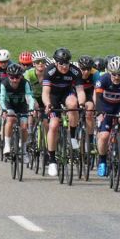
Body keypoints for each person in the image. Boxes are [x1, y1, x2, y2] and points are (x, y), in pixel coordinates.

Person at [42, 47, 86, 177]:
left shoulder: (75, 71)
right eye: (61, 63)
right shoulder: (49, 71)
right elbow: (45, 92)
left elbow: (80, 91)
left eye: (67, 63)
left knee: (73, 104)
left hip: (67, 93)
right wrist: (47, 104)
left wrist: (82, 104)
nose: (64, 66)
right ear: (56, 62)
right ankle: (51, 160)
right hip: (53, 96)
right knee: (54, 125)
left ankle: (72, 136)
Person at [0, 63, 36, 156]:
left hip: (21, 105)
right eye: (12, 77)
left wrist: (31, 109)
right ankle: (7, 145)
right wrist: (4, 110)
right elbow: (1, 99)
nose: (15, 80)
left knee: (24, 127)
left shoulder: (25, 83)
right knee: (10, 120)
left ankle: (23, 149)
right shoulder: (3, 83)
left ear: (21, 76)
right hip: (8, 105)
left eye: (17, 77)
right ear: (8, 76)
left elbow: (30, 97)